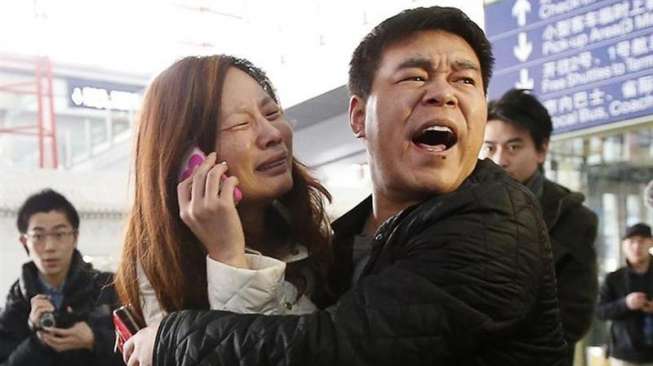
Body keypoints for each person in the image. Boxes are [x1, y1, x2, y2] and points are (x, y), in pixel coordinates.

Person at [125, 6, 567, 365]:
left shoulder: (493, 225)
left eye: (464, 80)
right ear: (358, 116)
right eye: (415, 77)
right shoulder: (345, 240)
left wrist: (175, 337)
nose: (272, 134)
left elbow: (333, 347)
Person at [114, 54, 333, 336]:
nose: (272, 134)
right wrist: (228, 257)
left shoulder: (314, 236)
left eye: (272, 113)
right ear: (189, 162)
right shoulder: (160, 279)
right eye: (240, 124)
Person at [480, 88, 599, 364]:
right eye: (490, 147)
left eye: (514, 146)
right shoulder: (462, 208)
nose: (500, 160)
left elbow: (573, 318)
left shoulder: (574, 220)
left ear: (542, 149)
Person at [0, 189, 121, 366]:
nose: (50, 246)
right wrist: (38, 341)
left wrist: (94, 340)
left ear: (75, 237)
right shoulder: (16, 304)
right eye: (38, 236)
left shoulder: (108, 288)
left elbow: (142, 355)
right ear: (25, 242)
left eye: (59, 234)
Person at [597, 223, 653, 366]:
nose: (636, 246)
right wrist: (625, 304)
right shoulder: (613, 278)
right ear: (623, 245)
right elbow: (600, 312)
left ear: (651, 242)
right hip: (625, 354)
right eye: (631, 241)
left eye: (641, 241)